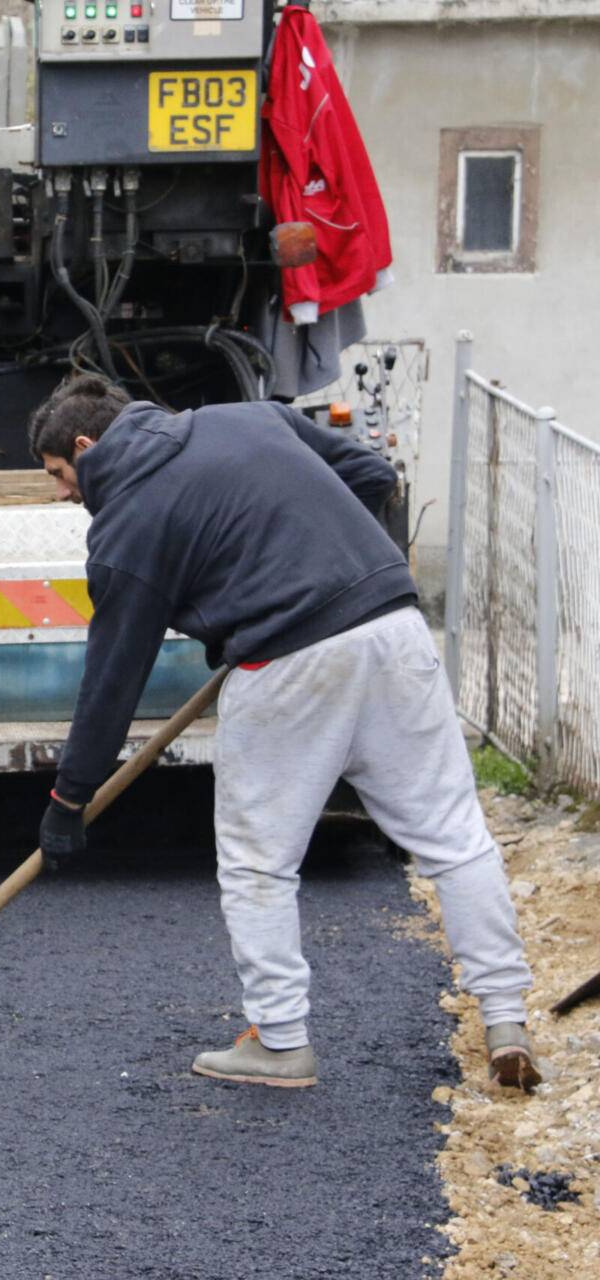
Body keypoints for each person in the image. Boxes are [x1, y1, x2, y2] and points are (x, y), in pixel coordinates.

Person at [30, 374, 538, 1091]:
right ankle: (506, 1018)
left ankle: (280, 1040)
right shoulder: (246, 419)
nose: (63, 493)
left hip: (287, 664)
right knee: (453, 836)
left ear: (85, 446)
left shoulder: (126, 528)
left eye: (58, 475)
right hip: (393, 626)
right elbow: (371, 473)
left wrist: (69, 798)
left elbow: (114, 677)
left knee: (259, 862)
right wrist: (325, 563)